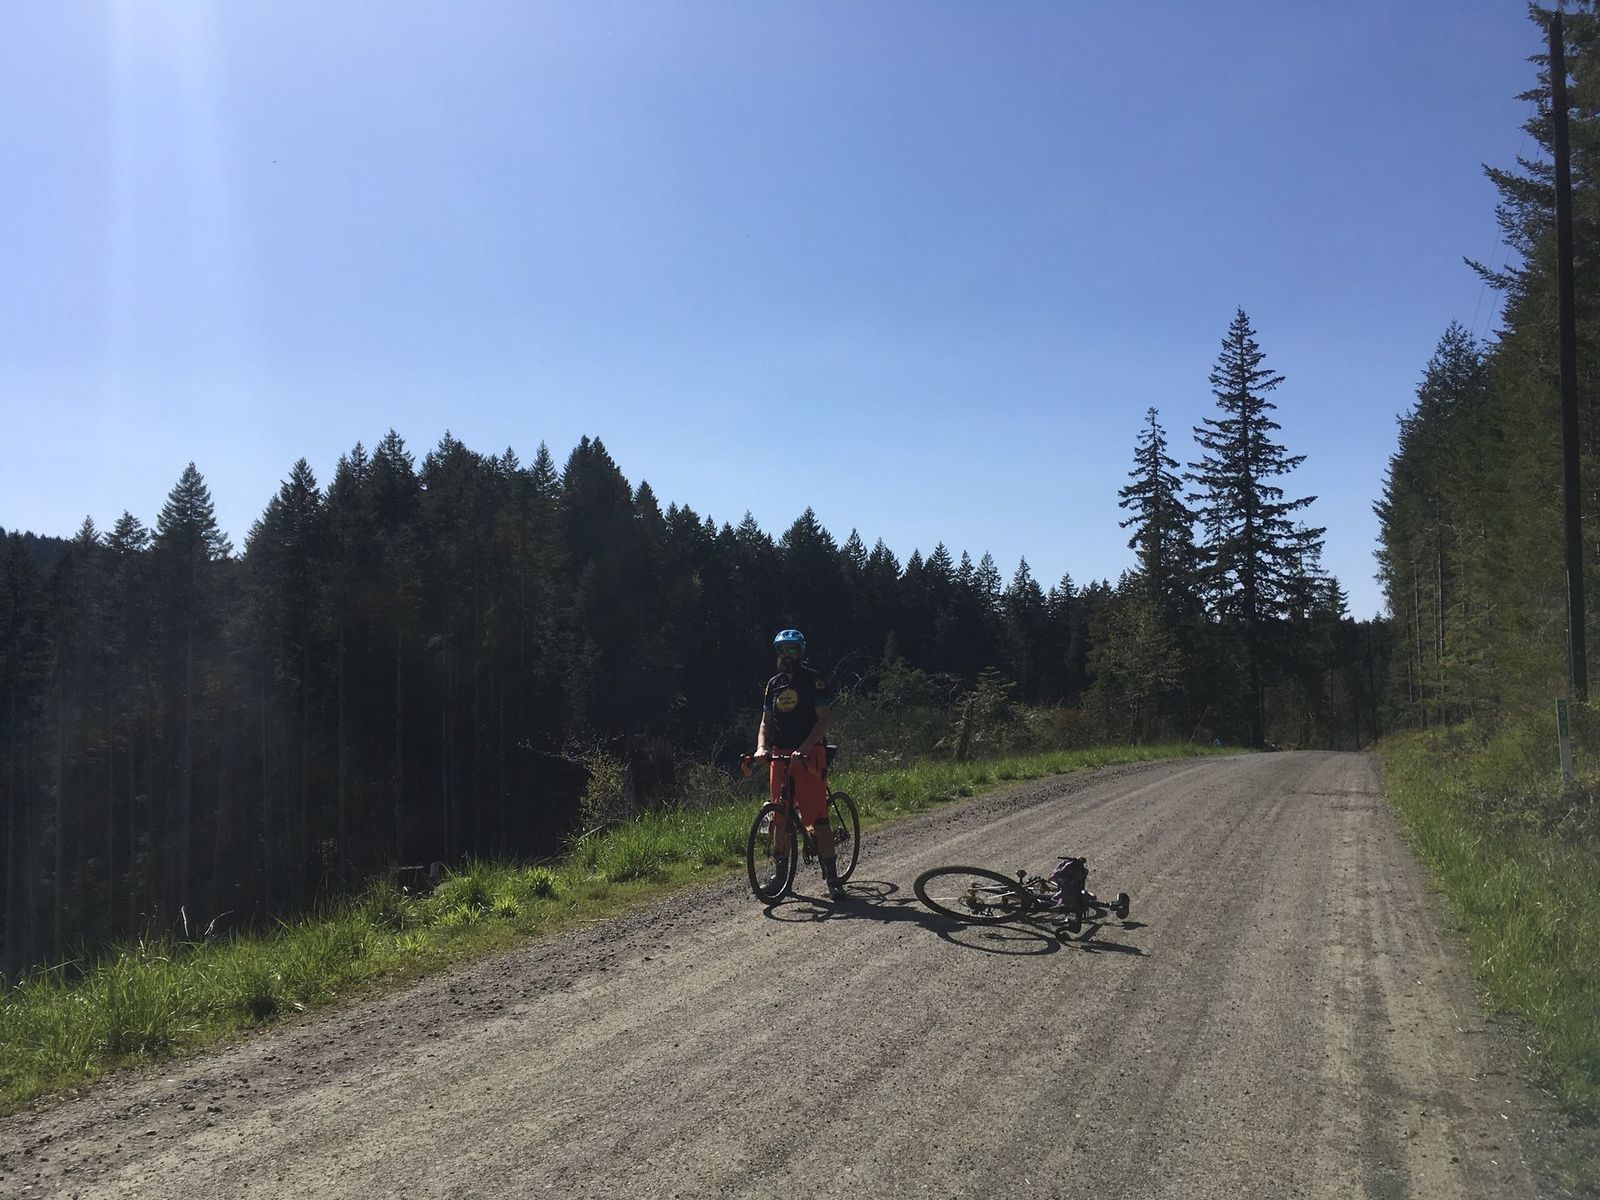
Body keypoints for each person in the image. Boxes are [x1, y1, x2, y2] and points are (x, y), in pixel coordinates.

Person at [748, 628, 844, 900]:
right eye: (783, 650)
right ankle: (780, 877)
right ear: (777, 653)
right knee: (779, 816)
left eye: (792, 649)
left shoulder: (813, 680)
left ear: (801, 652)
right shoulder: (774, 684)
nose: (787, 655)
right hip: (780, 755)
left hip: (809, 755)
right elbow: (766, 722)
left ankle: (833, 878)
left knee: (818, 817)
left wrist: (805, 748)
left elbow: (823, 719)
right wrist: (761, 748)